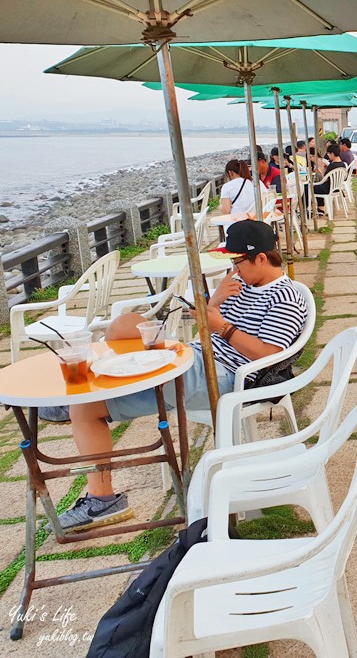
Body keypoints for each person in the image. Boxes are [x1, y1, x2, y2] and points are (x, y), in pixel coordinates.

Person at [54, 221, 309, 532]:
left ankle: (101, 496)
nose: (233, 269)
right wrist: (215, 302)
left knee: (85, 409)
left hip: (225, 375)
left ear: (260, 259)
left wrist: (223, 328)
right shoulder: (242, 285)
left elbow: (269, 354)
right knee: (124, 324)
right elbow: (204, 321)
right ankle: (92, 394)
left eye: (237, 261)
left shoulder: (285, 298)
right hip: (196, 355)